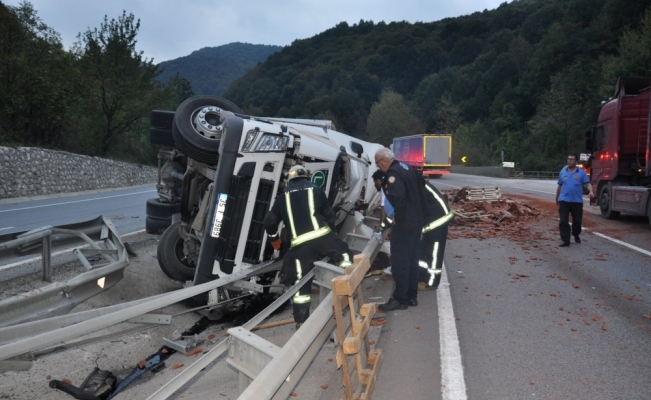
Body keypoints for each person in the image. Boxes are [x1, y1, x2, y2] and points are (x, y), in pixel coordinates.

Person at [264, 165, 353, 327]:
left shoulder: (282, 197)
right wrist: (332, 237)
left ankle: (301, 321)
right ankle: (349, 290)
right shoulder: (317, 190)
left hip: (299, 244)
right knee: (344, 255)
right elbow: (329, 217)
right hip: (321, 236)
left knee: (301, 280)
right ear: (306, 177)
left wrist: (274, 240)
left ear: (289, 180)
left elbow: (269, 221)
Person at [374, 148, 430, 311]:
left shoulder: (393, 175)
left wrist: (396, 219)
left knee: (400, 262)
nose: (379, 167)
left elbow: (398, 199)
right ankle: (411, 296)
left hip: (405, 224)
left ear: (384, 161)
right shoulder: (407, 168)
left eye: (378, 163)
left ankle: (400, 299)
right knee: (412, 260)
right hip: (416, 220)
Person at [418, 180, 455, 290]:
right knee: (423, 249)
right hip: (430, 220)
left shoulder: (416, 187)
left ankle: (432, 282)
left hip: (438, 220)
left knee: (434, 252)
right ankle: (421, 276)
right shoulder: (416, 185)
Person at [555, 153, 594, 247]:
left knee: (577, 221)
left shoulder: (581, 173)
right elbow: (560, 186)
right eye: (568, 159)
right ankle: (566, 240)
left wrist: (591, 191)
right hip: (564, 200)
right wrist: (557, 198)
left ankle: (576, 234)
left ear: (576, 161)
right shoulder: (563, 172)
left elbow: (587, 184)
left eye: (572, 159)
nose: (570, 160)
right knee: (563, 220)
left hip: (577, 201)